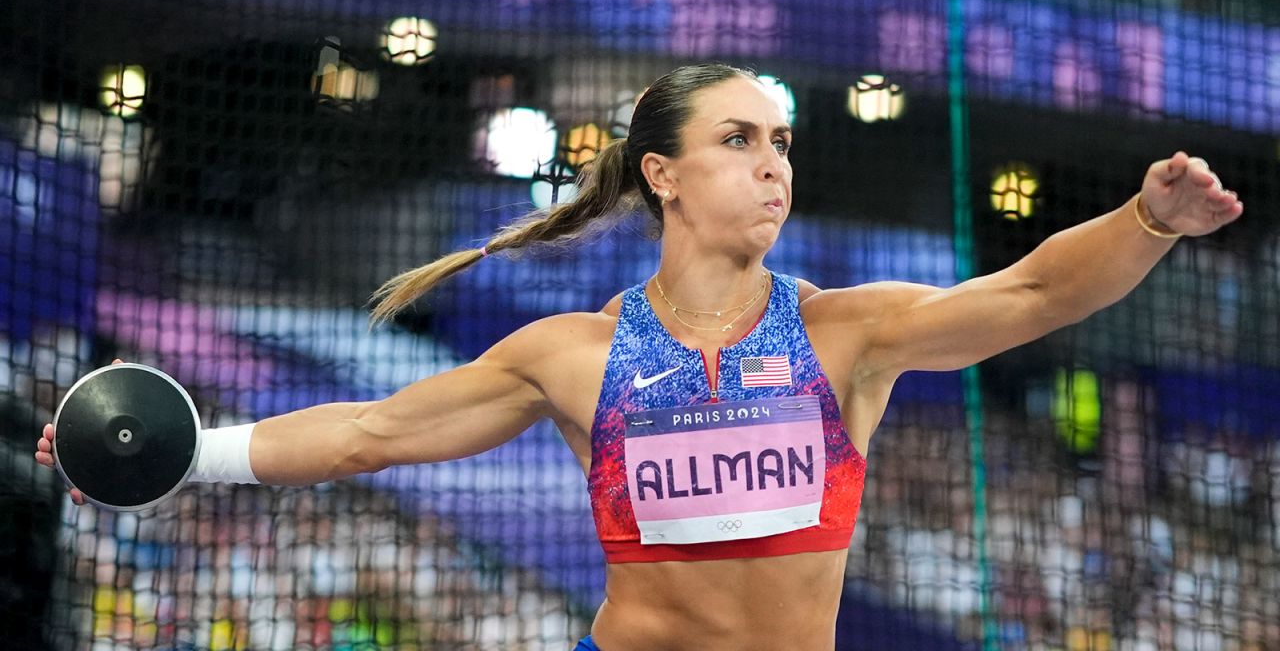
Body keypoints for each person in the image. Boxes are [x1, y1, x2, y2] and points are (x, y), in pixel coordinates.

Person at [35, 63, 1243, 650]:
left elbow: (1029, 289)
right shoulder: (571, 355)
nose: (773, 160)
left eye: (779, 140)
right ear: (661, 173)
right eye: (737, 139)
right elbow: (369, 434)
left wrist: (1145, 223)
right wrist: (177, 454)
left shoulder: (842, 335)